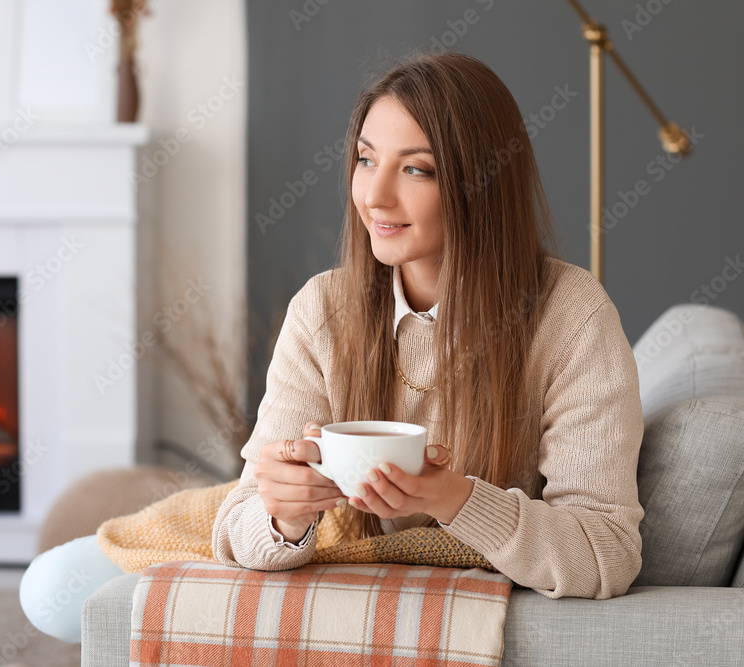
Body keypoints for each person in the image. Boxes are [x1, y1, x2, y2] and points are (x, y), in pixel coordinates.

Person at [211, 51, 645, 601]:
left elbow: (605, 554)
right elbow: (234, 530)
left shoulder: (572, 316)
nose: (374, 196)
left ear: (481, 184)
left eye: (416, 169)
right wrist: (286, 517)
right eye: (366, 160)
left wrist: (455, 499)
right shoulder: (322, 309)